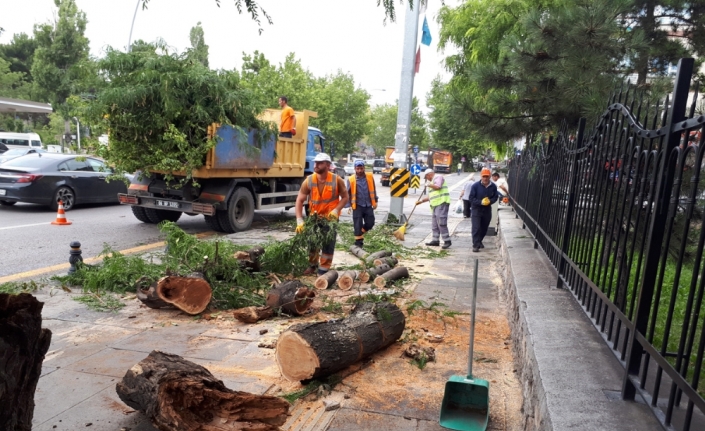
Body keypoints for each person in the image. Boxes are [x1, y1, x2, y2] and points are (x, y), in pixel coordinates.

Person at [295, 153, 349, 275]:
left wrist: (336, 210)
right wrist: (299, 220)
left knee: (328, 244)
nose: (316, 165)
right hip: (314, 218)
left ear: (328, 165)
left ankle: (324, 268)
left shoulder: (337, 180)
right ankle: (312, 265)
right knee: (312, 243)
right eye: (316, 163)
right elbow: (299, 200)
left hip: (330, 219)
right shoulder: (309, 180)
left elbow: (345, 197)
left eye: (320, 163)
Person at [416, 168, 452, 249]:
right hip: (435, 205)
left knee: (441, 222)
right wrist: (421, 201)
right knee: (435, 224)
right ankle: (435, 240)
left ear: (429, 174)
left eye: (426, 177)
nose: (427, 179)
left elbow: (438, 187)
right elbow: (431, 196)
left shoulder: (438, 177)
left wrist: (428, 184)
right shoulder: (432, 182)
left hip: (442, 203)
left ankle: (447, 241)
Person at [346, 159, 378, 248]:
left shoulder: (370, 177)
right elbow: (347, 193)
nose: (359, 170)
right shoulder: (351, 179)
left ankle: (361, 232)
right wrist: (348, 205)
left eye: (361, 168)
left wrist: (376, 201)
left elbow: (373, 189)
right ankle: (358, 243)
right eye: (357, 169)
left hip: (368, 204)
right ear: (355, 169)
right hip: (357, 205)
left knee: (370, 222)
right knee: (357, 224)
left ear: (364, 168)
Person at [469, 168, 498, 252]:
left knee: (484, 228)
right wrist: (480, 202)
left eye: (487, 177)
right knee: (476, 227)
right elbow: (471, 198)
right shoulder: (475, 186)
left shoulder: (493, 186)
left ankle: (479, 240)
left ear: (489, 177)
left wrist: (490, 201)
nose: (485, 178)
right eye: (483, 176)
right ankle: (475, 245)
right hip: (476, 209)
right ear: (481, 176)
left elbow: (495, 197)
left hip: (487, 209)